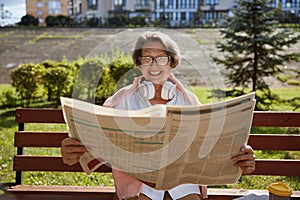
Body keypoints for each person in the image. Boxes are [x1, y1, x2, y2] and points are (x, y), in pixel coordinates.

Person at [61, 31, 256, 200]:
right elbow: (97, 143)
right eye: (147, 58)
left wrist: (240, 154)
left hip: (182, 183)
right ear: (139, 63)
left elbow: (211, 143)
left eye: (161, 57)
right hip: (139, 182)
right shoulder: (120, 101)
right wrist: (72, 150)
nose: (154, 64)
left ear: (172, 62)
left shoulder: (189, 100)